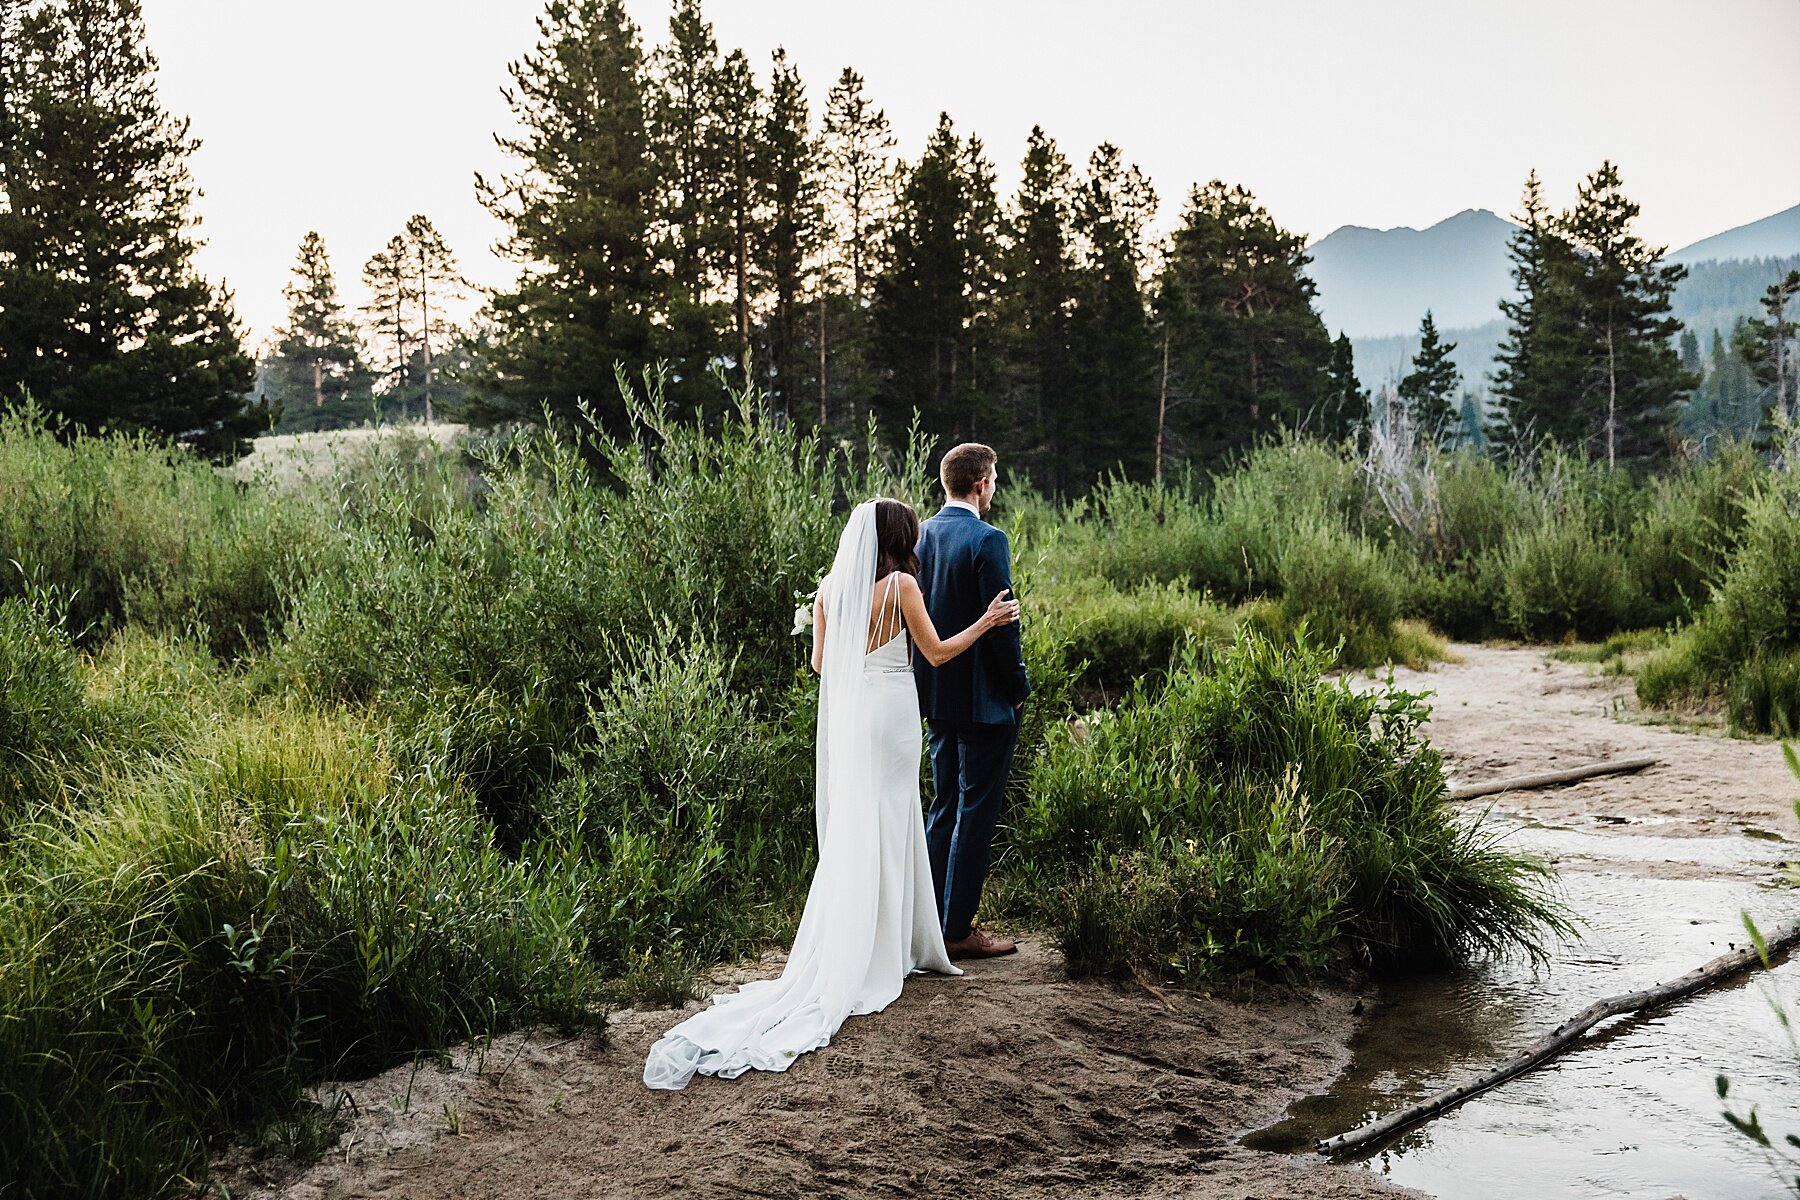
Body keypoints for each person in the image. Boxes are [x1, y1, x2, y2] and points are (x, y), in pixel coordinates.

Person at [642, 498, 1020, 1090]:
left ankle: (870, 942)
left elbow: (822, 665)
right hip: (895, 714)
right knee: (896, 817)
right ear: (900, 539)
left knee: (863, 822)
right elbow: (939, 653)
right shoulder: (901, 587)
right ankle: (902, 945)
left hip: (858, 716)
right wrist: (988, 622)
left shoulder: (828, 592)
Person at [913, 443, 1031, 959]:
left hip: (935, 696)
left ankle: (928, 920)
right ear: (982, 483)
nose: (995, 487)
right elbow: (1002, 625)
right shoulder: (989, 539)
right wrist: (1018, 689)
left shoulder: (920, 536)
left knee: (943, 806)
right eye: (995, 478)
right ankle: (956, 929)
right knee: (976, 810)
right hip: (985, 701)